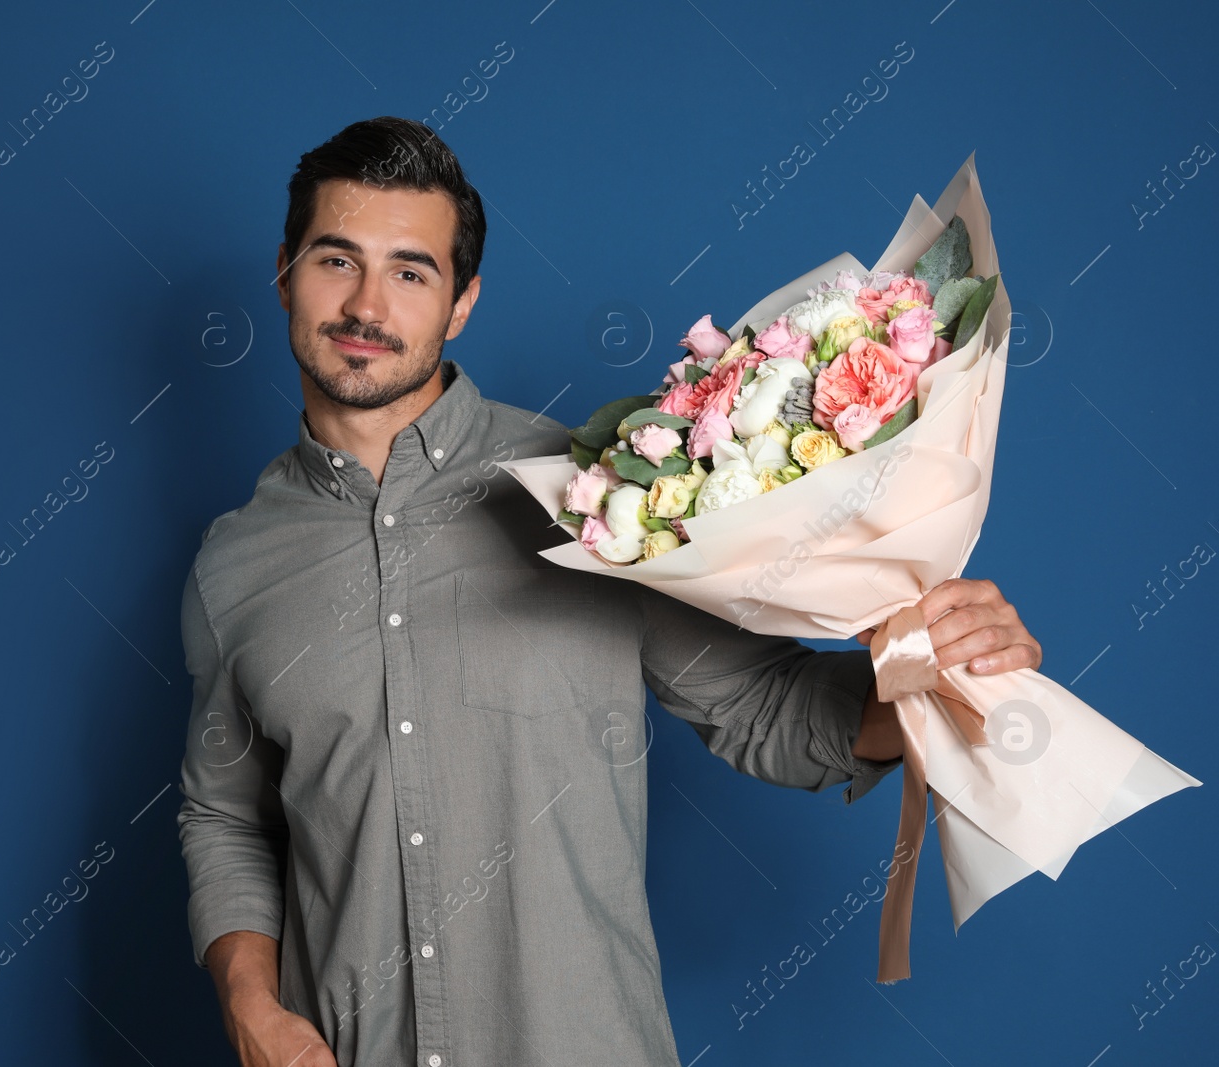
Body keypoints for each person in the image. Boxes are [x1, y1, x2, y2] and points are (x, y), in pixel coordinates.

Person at [176, 116, 1041, 1066]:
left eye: (411, 271)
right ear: (284, 272)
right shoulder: (234, 562)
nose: (367, 304)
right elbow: (224, 814)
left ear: (461, 301)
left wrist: (930, 669)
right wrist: (251, 1007)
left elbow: (769, 712)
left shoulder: (589, 497)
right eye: (337, 260)